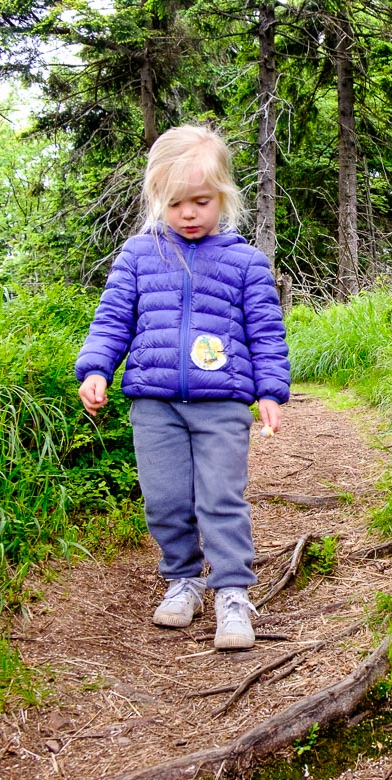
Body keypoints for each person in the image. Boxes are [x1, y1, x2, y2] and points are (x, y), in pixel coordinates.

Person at [75, 124, 290, 651]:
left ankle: (233, 591)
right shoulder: (138, 256)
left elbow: (266, 331)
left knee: (221, 497)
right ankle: (184, 578)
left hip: (222, 404)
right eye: (176, 204)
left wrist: (270, 391)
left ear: (223, 197)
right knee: (166, 499)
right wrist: (97, 368)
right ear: (156, 199)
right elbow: (111, 320)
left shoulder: (245, 262)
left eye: (200, 201)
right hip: (154, 401)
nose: (189, 213)